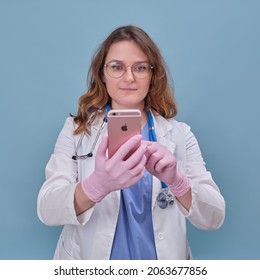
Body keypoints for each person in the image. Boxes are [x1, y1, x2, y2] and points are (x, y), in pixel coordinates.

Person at [37, 25, 225, 260]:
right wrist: (96, 186)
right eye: (117, 67)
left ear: (153, 75)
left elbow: (214, 218)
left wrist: (177, 182)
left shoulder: (180, 134)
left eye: (140, 67)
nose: (129, 77)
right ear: (102, 74)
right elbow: (47, 209)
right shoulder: (77, 130)